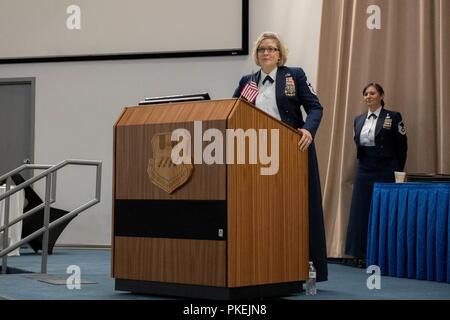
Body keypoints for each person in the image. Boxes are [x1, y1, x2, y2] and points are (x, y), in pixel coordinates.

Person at [233, 31, 328, 282]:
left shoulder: (294, 75)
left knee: (295, 209)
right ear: (256, 54)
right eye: (262, 49)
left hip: (290, 152)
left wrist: (308, 129)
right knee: (260, 209)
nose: (266, 53)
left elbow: (315, 107)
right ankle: (259, 264)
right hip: (255, 154)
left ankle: (302, 267)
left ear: (280, 54)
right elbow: (233, 112)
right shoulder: (248, 81)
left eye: (272, 49)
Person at [345, 83, 408, 267]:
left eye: (372, 93)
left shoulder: (393, 117)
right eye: (365, 94)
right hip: (364, 168)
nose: (368, 96)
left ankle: (384, 255)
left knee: (384, 211)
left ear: (381, 95)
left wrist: (397, 170)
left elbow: (402, 147)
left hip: (385, 168)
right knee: (361, 211)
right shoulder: (358, 119)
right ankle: (360, 253)